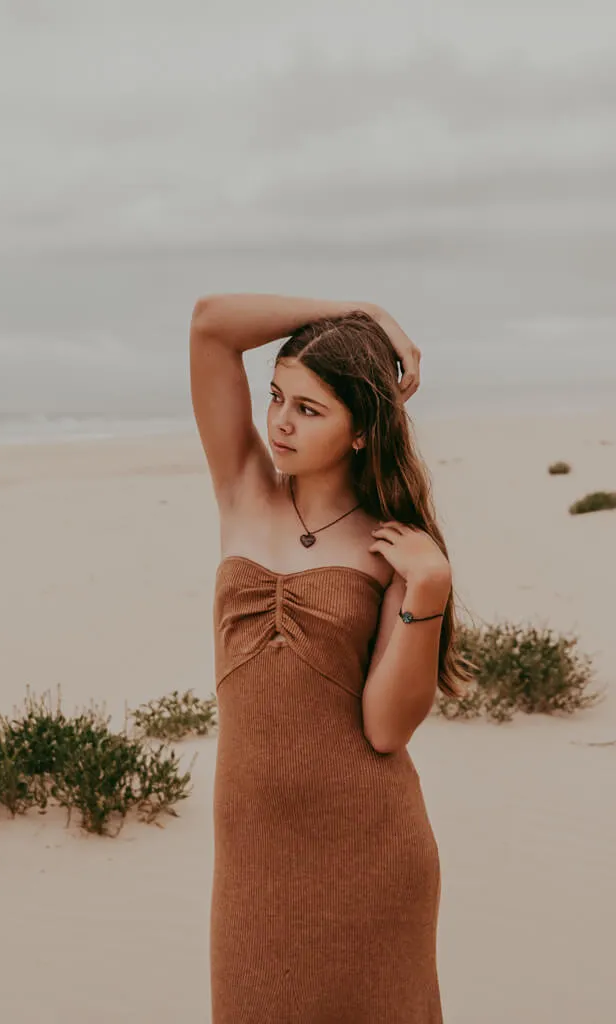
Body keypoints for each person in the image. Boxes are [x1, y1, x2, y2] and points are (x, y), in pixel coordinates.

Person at [189, 293, 471, 1023]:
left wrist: (429, 588)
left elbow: (385, 729)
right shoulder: (244, 490)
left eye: (310, 410)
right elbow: (210, 325)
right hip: (253, 863)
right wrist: (362, 309)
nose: (281, 421)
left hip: (371, 856)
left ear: (359, 431)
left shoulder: (394, 548)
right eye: (278, 396)